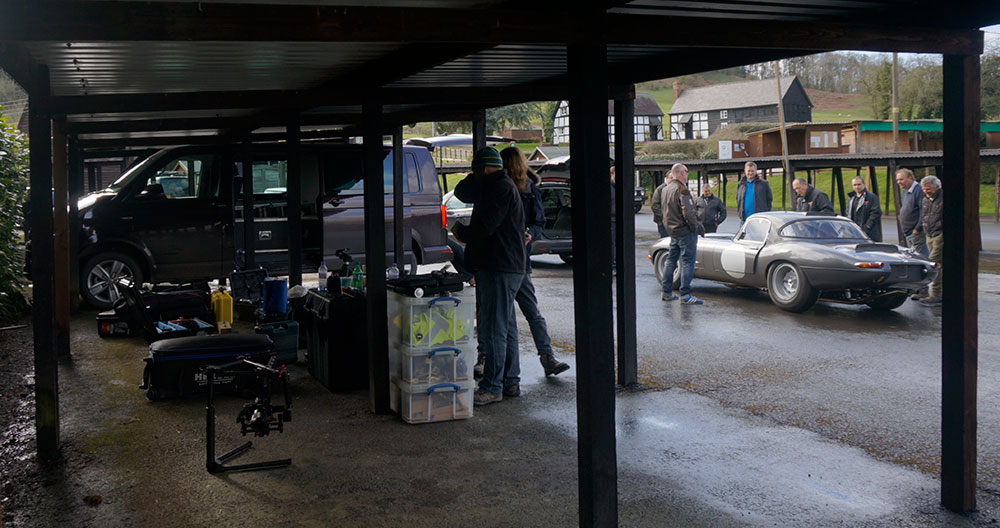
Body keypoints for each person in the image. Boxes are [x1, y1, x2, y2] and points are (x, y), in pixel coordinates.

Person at [452, 147, 526, 406]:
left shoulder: (499, 188)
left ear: (483, 170)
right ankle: (510, 381)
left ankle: (492, 387)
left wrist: (462, 233)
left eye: (475, 171)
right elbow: (462, 192)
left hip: (498, 266)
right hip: (506, 266)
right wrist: (476, 177)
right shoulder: (498, 185)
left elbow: (486, 226)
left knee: (494, 330)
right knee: (506, 328)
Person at [499, 147, 570, 377]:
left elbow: (538, 222)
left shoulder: (510, 188)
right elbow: (540, 221)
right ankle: (547, 358)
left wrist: (530, 232)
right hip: (521, 258)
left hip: (509, 260)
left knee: (504, 317)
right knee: (531, 312)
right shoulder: (530, 188)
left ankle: (499, 366)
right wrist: (532, 232)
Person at [660, 163, 705, 305]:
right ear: (681, 173)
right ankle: (685, 294)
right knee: (688, 262)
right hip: (685, 232)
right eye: (686, 171)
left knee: (671, 260)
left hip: (673, 231)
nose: (687, 174)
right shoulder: (682, 190)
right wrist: (696, 228)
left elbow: (664, 211)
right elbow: (689, 213)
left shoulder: (665, 189)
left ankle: (666, 292)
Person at [918, 175, 943, 306]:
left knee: (933, 263)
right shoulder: (925, 200)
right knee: (938, 265)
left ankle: (936, 294)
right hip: (929, 234)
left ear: (937, 187)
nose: (926, 192)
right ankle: (937, 293)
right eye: (924, 189)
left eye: (928, 189)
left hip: (940, 234)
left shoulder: (943, 199)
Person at [895, 168, 928, 257]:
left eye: (901, 179)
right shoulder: (904, 191)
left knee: (921, 258)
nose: (899, 182)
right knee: (914, 256)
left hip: (917, 233)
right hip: (909, 232)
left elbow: (923, 211)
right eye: (897, 180)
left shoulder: (919, 191)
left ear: (910, 178)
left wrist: (917, 229)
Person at [847, 176, 882, 241]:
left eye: (859, 184)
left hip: (869, 233)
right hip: (854, 232)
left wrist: (867, 226)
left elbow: (876, 212)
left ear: (863, 184)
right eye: (854, 185)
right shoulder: (851, 198)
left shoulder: (871, 197)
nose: (857, 187)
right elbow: (847, 213)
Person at [650, 173, 673, 238]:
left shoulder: (677, 188)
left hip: (674, 221)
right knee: (665, 239)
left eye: (674, 178)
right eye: (671, 178)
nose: (672, 180)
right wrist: (663, 216)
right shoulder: (660, 189)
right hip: (663, 221)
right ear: (666, 178)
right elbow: (654, 205)